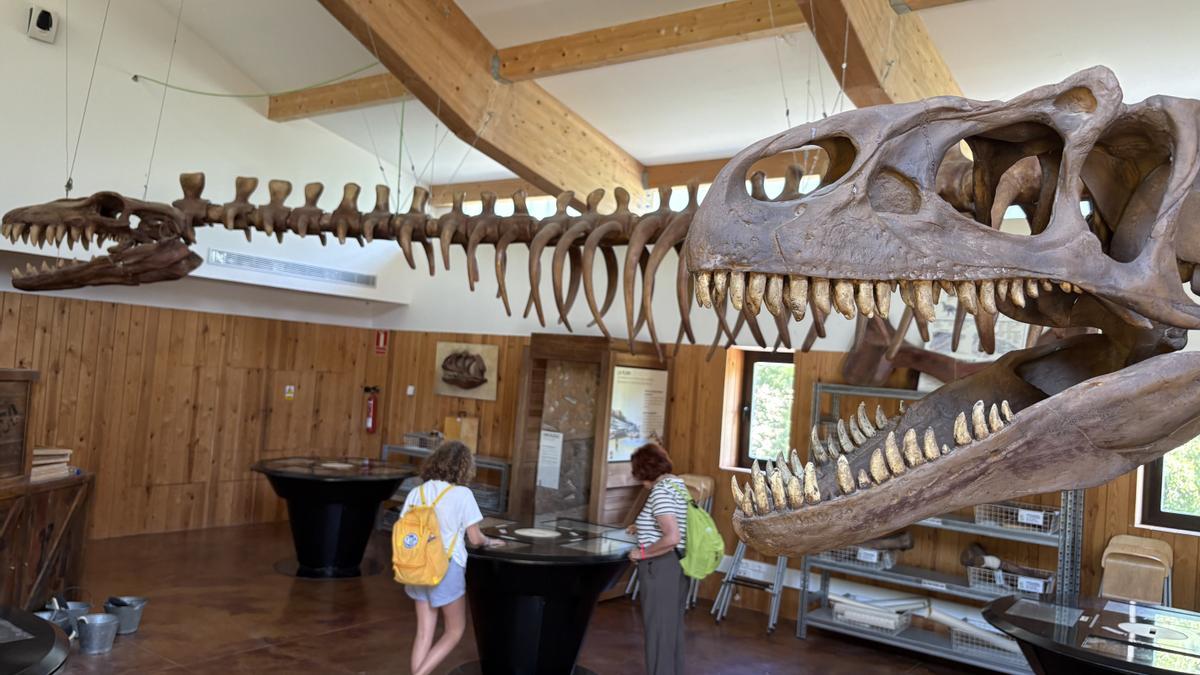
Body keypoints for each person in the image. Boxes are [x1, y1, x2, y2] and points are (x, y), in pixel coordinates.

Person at [400, 441, 503, 675]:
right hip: (446, 568)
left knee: (423, 633)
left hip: (416, 566)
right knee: (454, 631)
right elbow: (475, 538)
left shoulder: (418, 492)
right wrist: (489, 541)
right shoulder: (462, 494)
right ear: (464, 467)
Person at [626, 442, 689, 675]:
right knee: (671, 631)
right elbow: (672, 521)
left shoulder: (660, 492)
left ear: (645, 471)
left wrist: (641, 553)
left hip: (660, 567)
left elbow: (672, 537)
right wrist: (641, 526)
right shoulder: (677, 485)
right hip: (677, 565)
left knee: (658, 632)